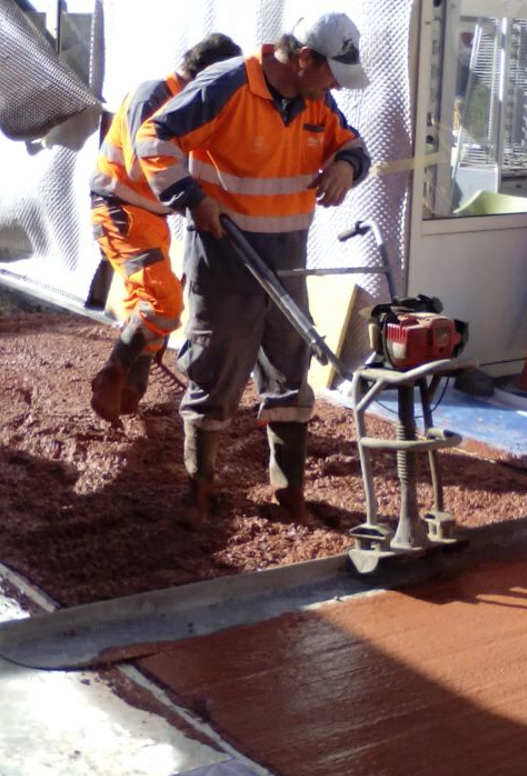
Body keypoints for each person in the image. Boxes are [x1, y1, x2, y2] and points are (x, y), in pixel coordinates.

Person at [135, 13, 371, 519]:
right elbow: (154, 139)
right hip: (224, 256)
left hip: (286, 259)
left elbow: (353, 144)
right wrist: (192, 197)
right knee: (215, 368)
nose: (336, 88)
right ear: (304, 59)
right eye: (331, 73)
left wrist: (346, 167)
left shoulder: (315, 100)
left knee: (290, 371)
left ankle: (290, 494)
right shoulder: (227, 85)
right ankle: (199, 492)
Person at [88, 33, 242, 424]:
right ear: (211, 75)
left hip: (147, 216)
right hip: (120, 210)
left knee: (155, 304)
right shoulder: (154, 95)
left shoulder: (186, 103)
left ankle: (131, 384)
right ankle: (113, 373)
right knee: (163, 301)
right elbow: (146, 166)